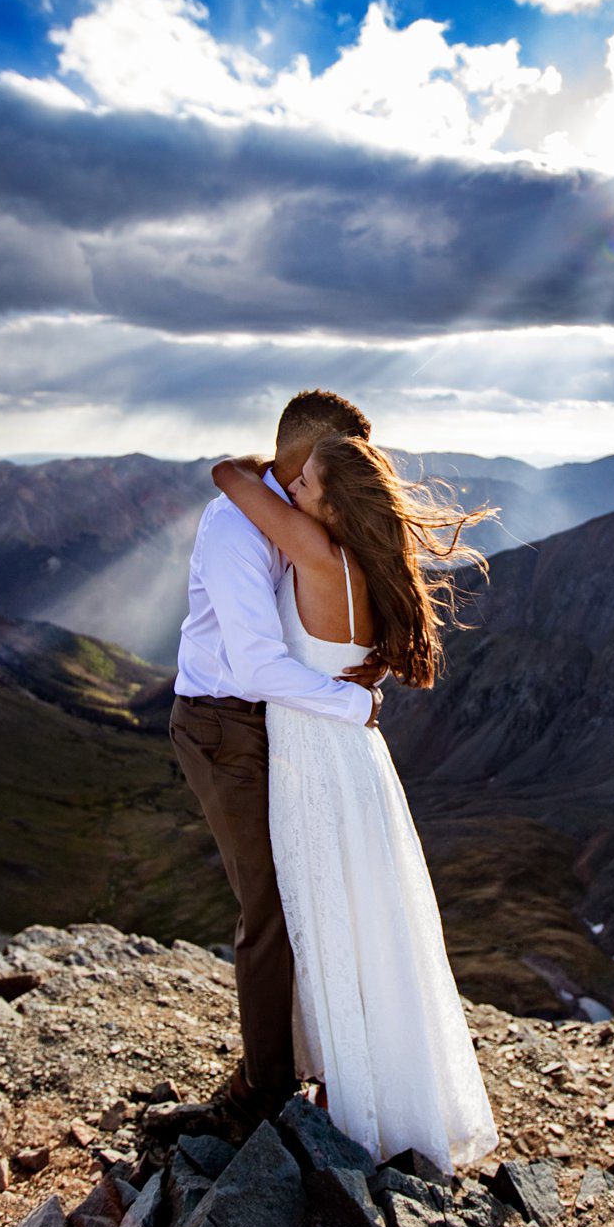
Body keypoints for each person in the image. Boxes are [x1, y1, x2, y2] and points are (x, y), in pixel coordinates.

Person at [206, 428, 502, 1176]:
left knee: (329, 922)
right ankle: (365, 1086)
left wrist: (268, 463)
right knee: (364, 924)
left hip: (316, 766)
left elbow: (226, 474)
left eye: (305, 482)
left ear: (334, 507)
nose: (291, 487)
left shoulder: (314, 550)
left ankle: (356, 1107)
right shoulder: (361, 564)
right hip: (351, 762)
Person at [167, 391, 391, 1142]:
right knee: (269, 908)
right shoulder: (236, 528)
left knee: (305, 894)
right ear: (303, 467)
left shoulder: (294, 513)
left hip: (276, 725)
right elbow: (257, 666)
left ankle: (307, 1063)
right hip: (223, 724)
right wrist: (352, 703)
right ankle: (262, 1093)